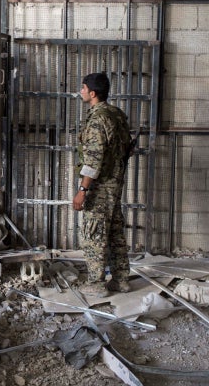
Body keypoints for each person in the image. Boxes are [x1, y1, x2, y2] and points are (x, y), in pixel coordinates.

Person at [72, 72, 131, 298]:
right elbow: (126, 150)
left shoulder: (98, 119)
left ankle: (96, 283)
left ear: (92, 93)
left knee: (94, 232)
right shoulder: (117, 115)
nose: (81, 91)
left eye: (83, 88)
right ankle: (121, 280)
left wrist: (83, 190)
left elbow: (94, 159)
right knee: (115, 231)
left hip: (100, 185)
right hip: (116, 182)